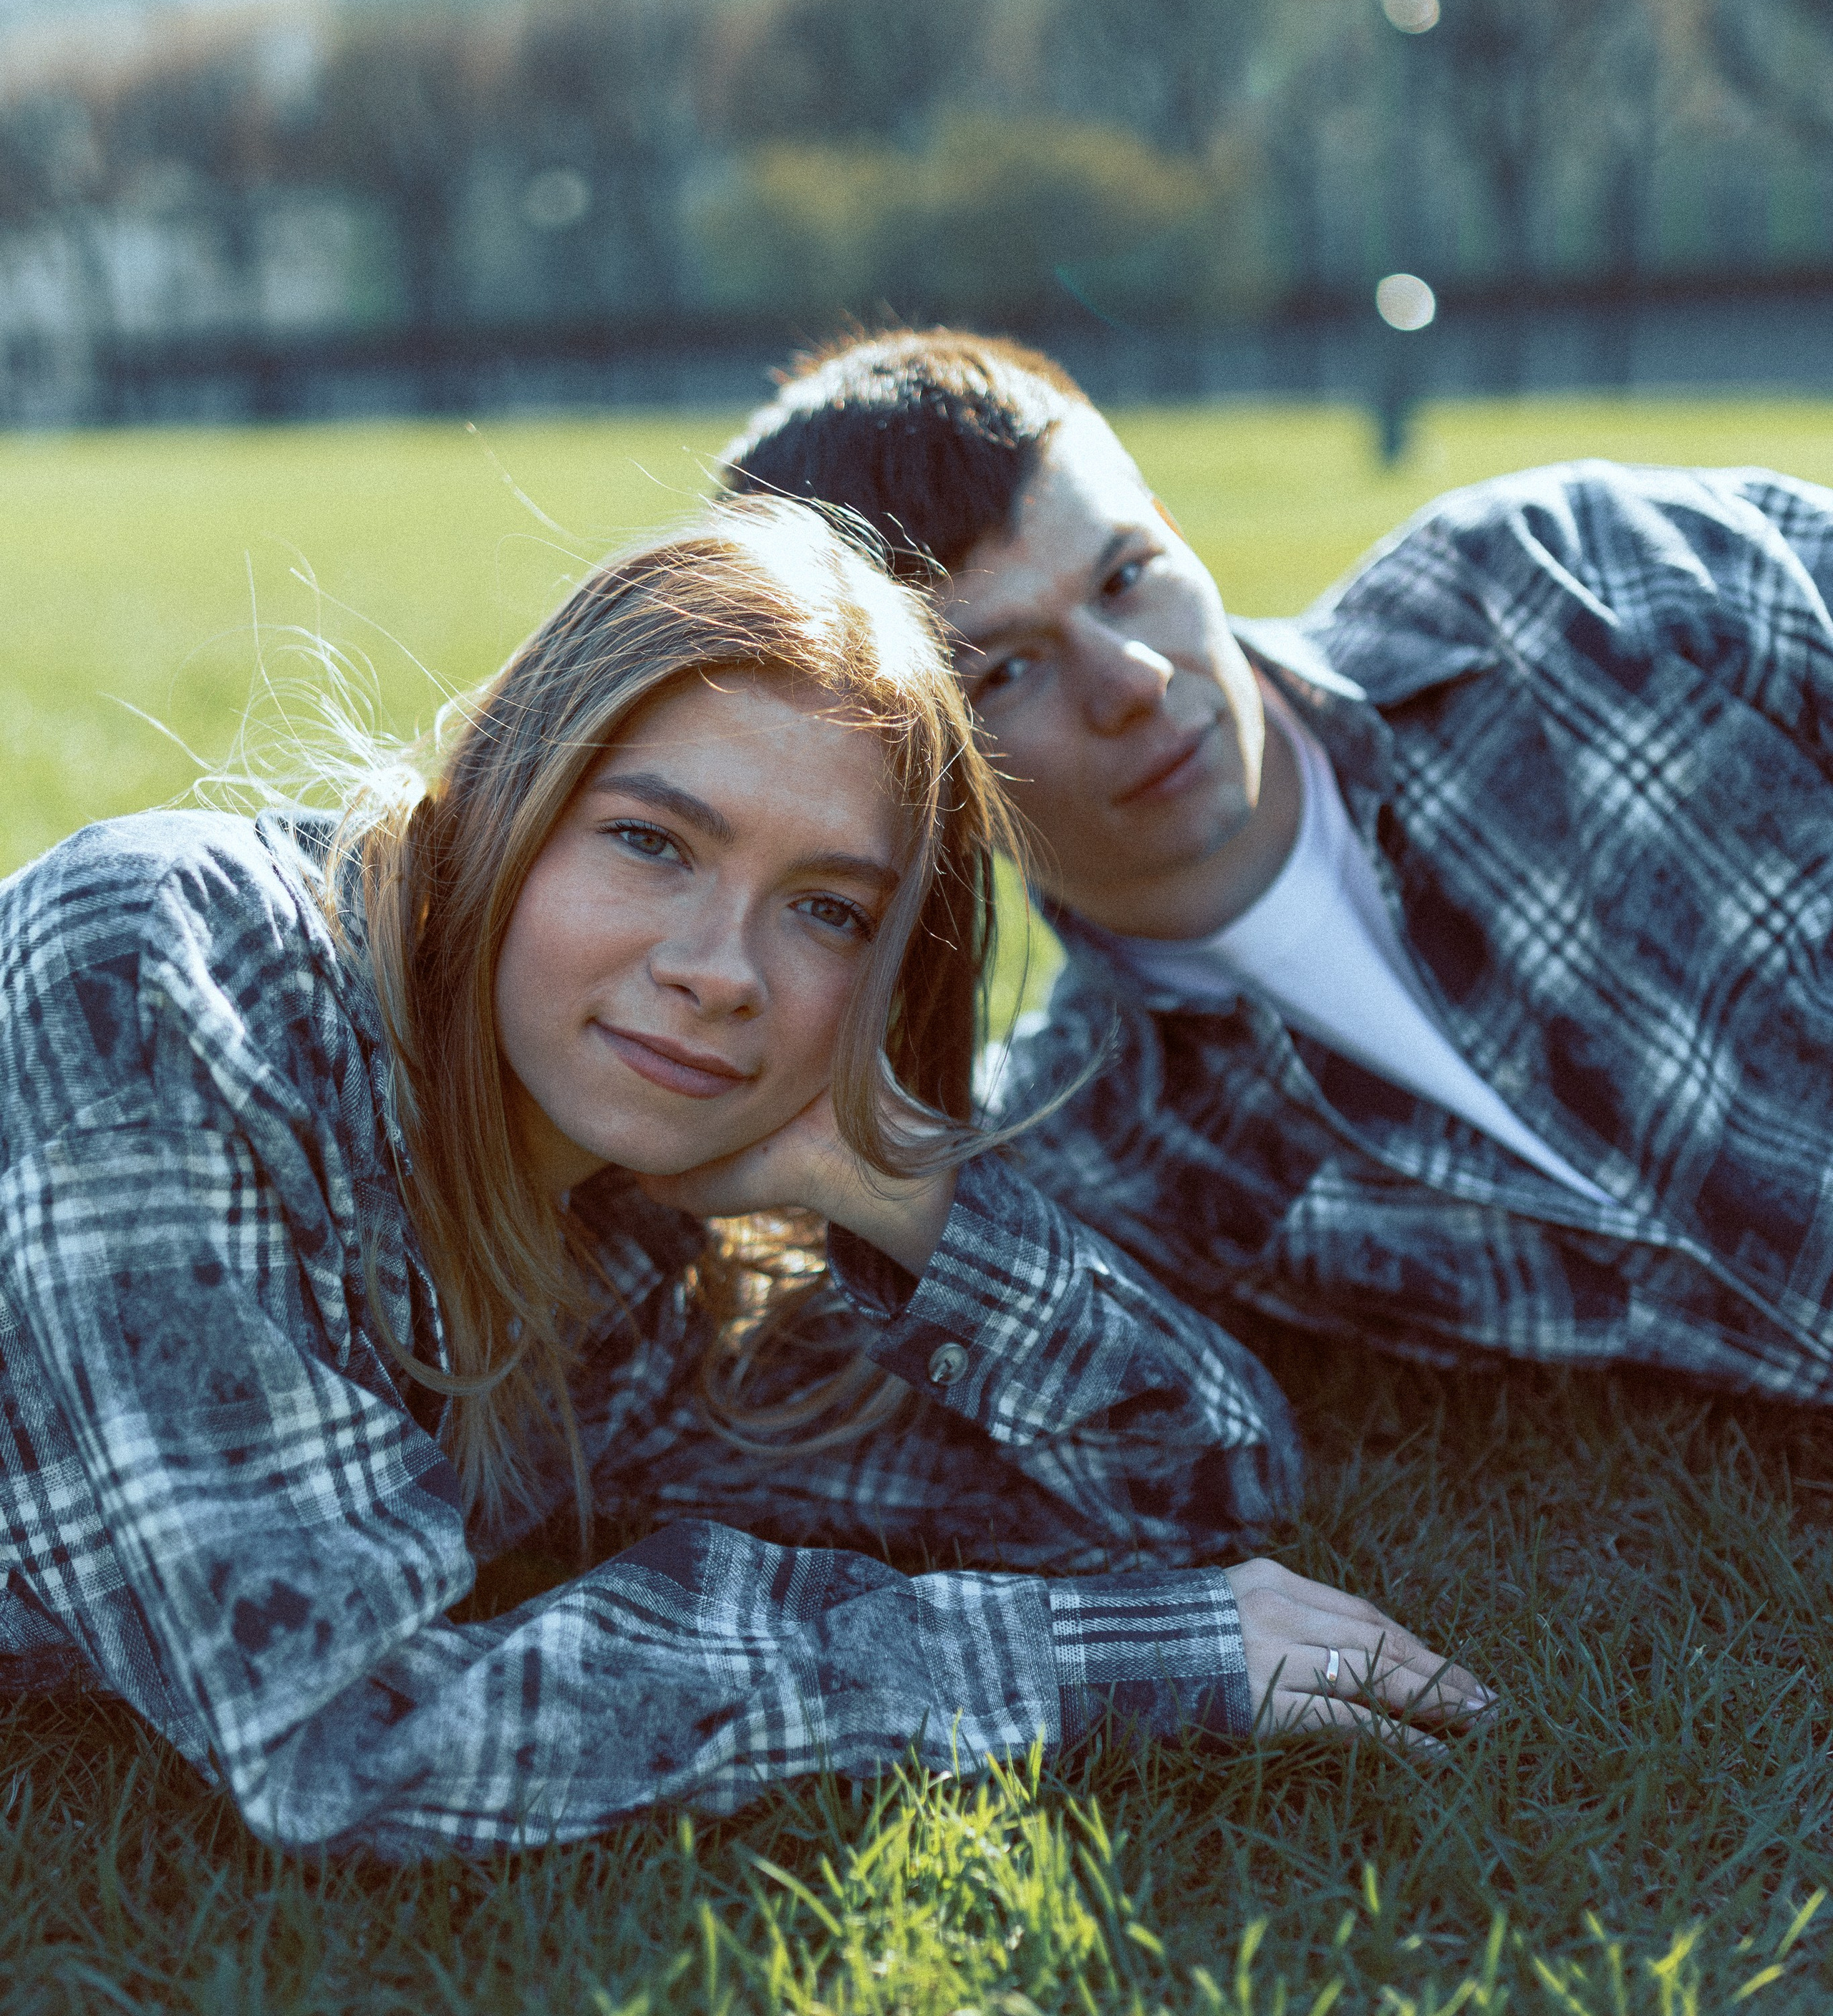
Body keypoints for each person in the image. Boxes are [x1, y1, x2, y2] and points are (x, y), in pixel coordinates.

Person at [0, 500, 1484, 1861]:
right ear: (504, 803)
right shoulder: (160, 975)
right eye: (650, 842)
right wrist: (1096, 1664)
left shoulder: (640, 1267)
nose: (719, 972)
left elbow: (1201, 1486)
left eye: (825, 913)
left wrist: (894, 1185)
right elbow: (346, 1731)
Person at [720, 330, 1833, 1431]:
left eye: (1126, 576)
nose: (1136, 680)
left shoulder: (1568, 581)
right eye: (1004, 670)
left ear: (1171, 528)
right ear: (914, 785)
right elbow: (1176, 1445)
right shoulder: (1102, 1149)